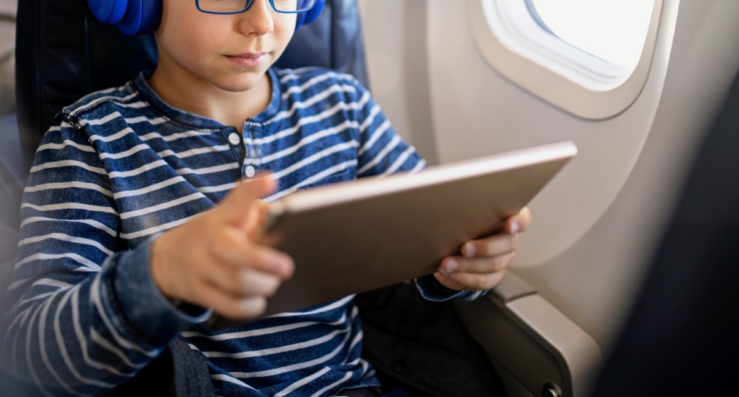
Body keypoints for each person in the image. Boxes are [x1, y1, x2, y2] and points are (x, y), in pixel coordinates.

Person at [1, 0, 531, 396]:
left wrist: (463, 268)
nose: (261, 21)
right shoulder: (90, 139)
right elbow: (32, 353)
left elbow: (429, 235)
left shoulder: (342, 107)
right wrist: (158, 276)